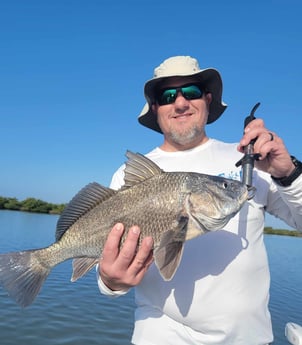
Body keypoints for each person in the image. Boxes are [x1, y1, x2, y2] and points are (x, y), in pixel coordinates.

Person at [97, 56, 302, 344]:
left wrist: (289, 174)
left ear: (207, 99)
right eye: (167, 96)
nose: (180, 103)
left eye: (190, 91)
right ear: (155, 107)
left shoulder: (251, 160)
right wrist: (110, 281)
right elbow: (105, 274)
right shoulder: (128, 175)